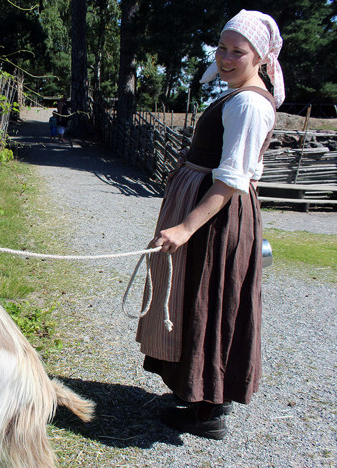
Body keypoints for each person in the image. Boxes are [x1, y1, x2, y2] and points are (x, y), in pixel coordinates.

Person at [135, 9, 284, 440]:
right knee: (197, 298)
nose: (225, 57)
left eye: (238, 51)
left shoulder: (250, 103)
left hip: (215, 219)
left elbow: (232, 179)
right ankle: (200, 395)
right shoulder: (237, 94)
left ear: (260, 57)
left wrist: (186, 227)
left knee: (211, 302)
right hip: (210, 214)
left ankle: (209, 410)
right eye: (221, 47)